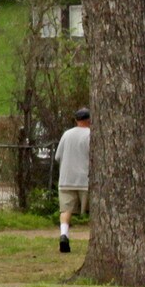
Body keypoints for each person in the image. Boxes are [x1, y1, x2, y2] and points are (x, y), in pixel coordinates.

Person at [56, 107, 91, 254]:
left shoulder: (66, 134)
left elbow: (58, 156)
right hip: (85, 180)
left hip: (66, 179)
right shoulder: (91, 134)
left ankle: (64, 234)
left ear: (76, 120)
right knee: (93, 210)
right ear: (89, 119)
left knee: (66, 210)